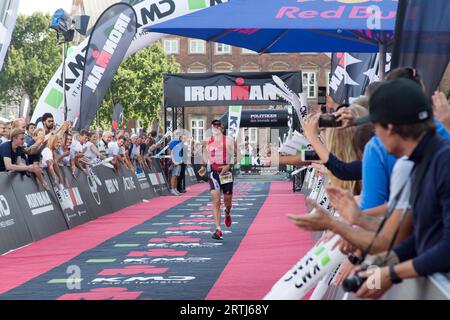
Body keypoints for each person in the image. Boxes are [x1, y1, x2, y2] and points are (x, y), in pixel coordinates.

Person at [198, 119, 237, 240]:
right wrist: (203, 166)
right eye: (214, 127)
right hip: (214, 174)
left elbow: (239, 155)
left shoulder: (229, 141)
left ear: (222, 129)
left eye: (218, 127)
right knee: (216, 201)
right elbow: (205, 155)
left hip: (226, 174)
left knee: (227, 203)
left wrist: (229, 165)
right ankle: (218, 229)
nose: (216, 129)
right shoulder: (208, 142)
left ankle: (228, 213)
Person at [168, 131, 183, 196]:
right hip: (175, 161)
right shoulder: (174, 142)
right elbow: (169, 150)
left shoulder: (180, 142)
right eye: (181, 136)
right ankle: (172, 189)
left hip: (179, 161)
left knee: (176, 176)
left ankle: (175, 188)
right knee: (174, 175)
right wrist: (172, 160)